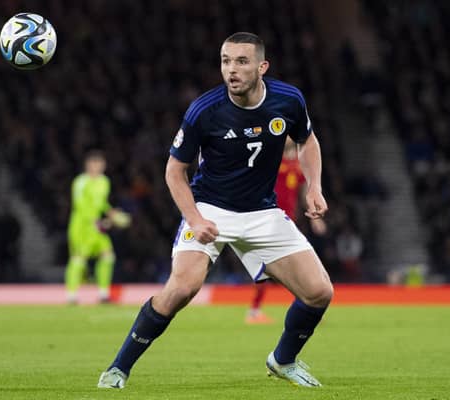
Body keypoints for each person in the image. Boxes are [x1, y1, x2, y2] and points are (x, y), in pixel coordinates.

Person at [98, 32, 333, 389]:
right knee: (182, 288)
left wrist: (313, 186)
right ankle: (118, 368)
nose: (231, 70)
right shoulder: (204, 110)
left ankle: (282, 360)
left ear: (262, 66)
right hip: (211, 208)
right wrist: (195, 218)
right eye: (225, 61)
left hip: (261, 212)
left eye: (241, 61)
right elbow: (174, 171)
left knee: (320, 292)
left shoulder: (289, 100)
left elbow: (307, 140)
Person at [246, 137, 327, 324]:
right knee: (275, 268)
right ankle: (257, 311)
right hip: (268, 220)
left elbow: (303, 190)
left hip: (287, 222)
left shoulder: (297, 164)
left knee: (275, 267)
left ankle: (259, 310)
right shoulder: (271, 160)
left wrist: (314, 216)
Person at [65, 150, 129, 304]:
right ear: (87, 165)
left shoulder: (104, 181)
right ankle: (72, 296)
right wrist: (93, 221)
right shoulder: (80, 182)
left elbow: (101, 203)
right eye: (94, 164)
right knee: (78, 259)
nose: (97, 167)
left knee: (108, 255)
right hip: (81, 226)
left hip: (96, 226)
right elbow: (79, 204)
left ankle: (103, 294)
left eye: (100, 164)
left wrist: (111, 212)